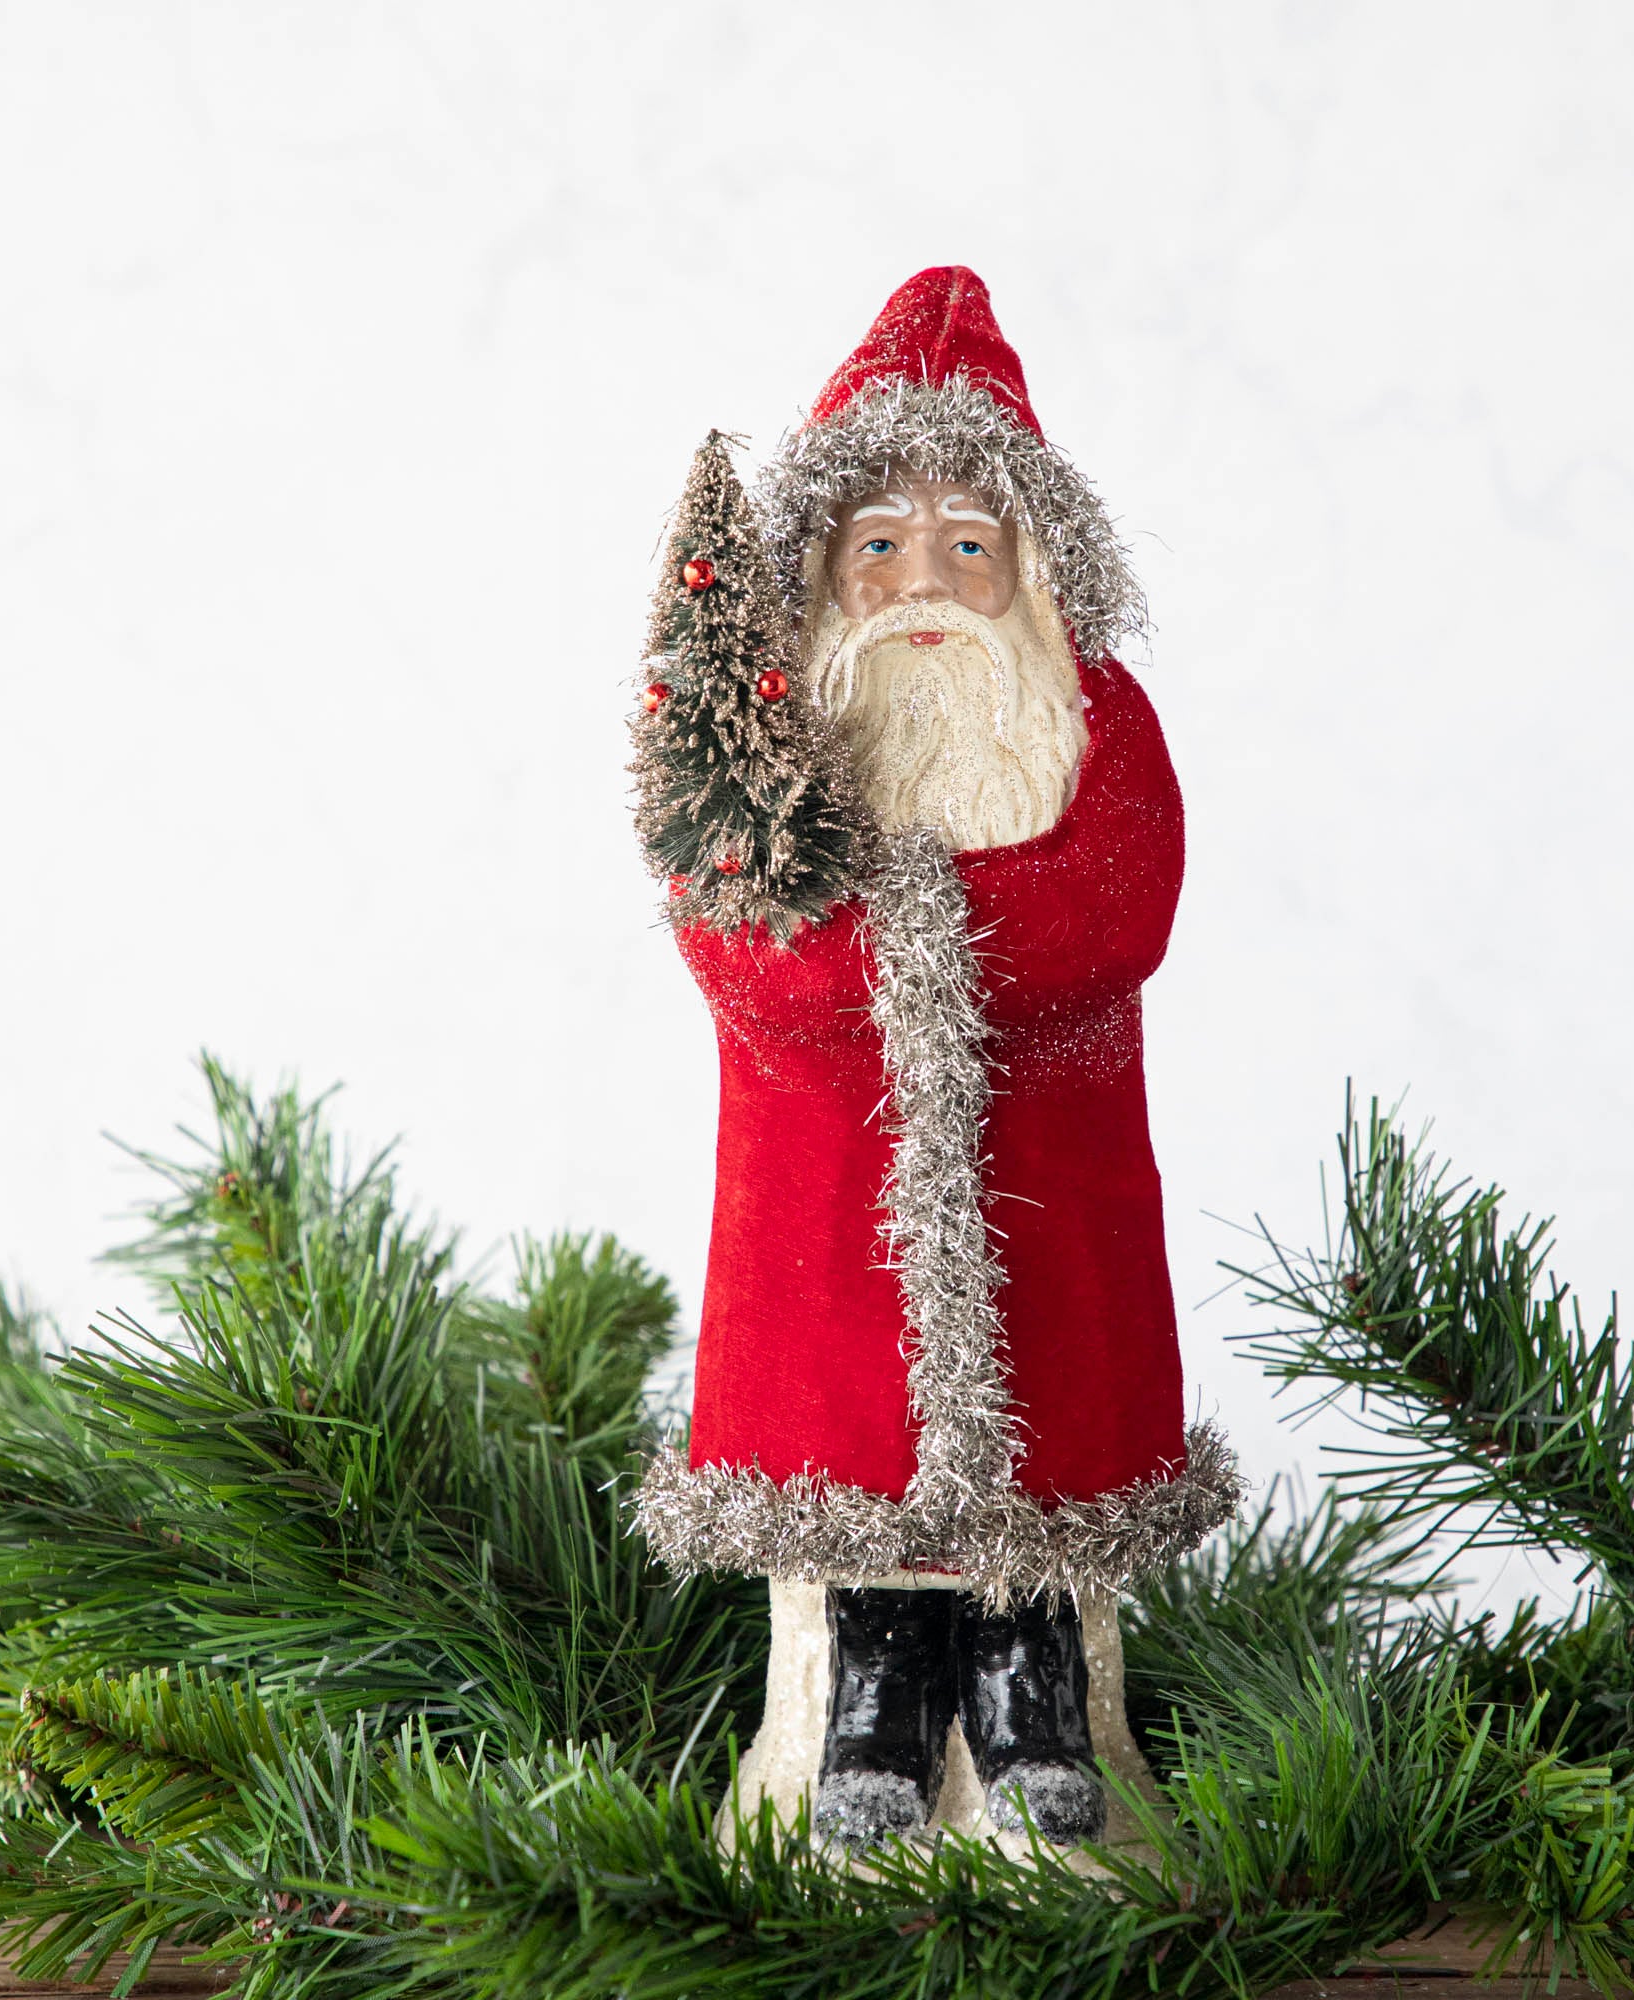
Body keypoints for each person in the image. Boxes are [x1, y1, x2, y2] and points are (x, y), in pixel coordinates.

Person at [638, 267, 1237, 1846]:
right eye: (882, 546)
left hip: (1052, 1173)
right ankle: (867, 1724)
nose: (923, 579)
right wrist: (887, 948)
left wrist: (913, 929)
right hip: (826, 1188)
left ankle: (1039, 1707)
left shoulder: (1094, 725)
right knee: (852, 1482)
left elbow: (1116, 908)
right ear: (827, 572)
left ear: (1030, 569)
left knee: (1045, 1476)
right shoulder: (772, 741)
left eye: (968, 548)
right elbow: (735, 931)